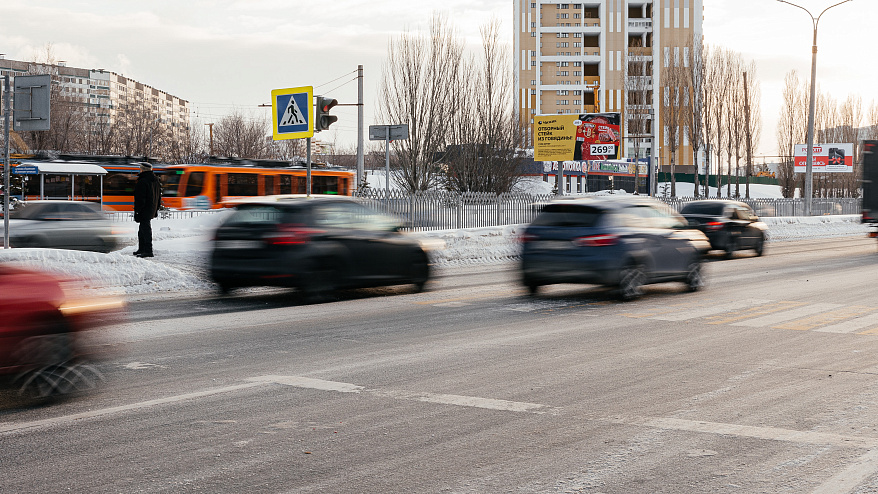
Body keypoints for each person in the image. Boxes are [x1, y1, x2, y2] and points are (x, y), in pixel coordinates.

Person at [133, 162, 162, 258]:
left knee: (145, 230)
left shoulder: (143, 181)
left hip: (144, 209)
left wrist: (138, 210)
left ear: (143, 170)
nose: (139, 170)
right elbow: (159, 197)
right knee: (142, 229)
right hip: (151, 208)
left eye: (140, 169)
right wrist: (156, 207)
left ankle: (148, 250)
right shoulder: (155, 180)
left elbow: (140, 198)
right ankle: (142, 249)